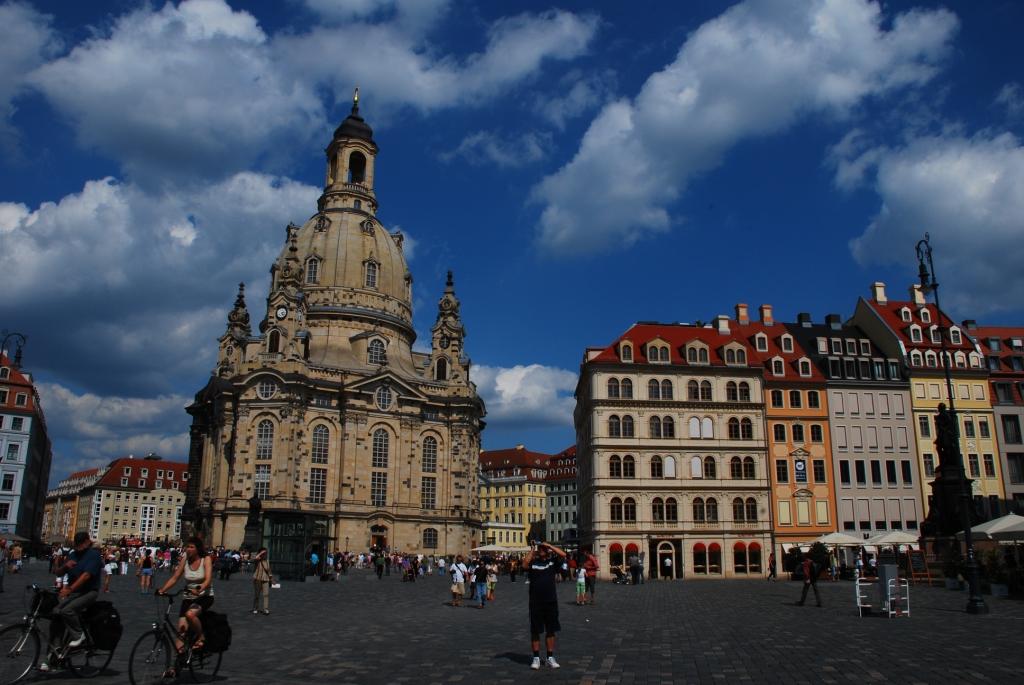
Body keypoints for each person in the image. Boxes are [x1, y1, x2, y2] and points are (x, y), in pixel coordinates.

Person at [40, 532, 101, 673]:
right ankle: (53, 655)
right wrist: (65, 566)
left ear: (87, 542)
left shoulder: (93, 555)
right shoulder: (73, 554)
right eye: (77, 545)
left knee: (67, 610)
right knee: (56, 614)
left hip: (88, 592)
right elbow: (59, 573)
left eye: (81, 544)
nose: (79, 547)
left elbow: (86, 576)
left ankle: (79, 635)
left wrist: (70, 589)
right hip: (73, 592)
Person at [157, 537, 215, 666]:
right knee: (181, 631)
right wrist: (162, 589)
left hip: (204, 596)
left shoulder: (206, 559)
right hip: (188, 597)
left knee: (190, 615)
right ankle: (176, 666)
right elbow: (175, 577)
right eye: (187, 547)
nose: (188, 549)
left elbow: (208, 579)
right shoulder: (185, 559)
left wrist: (200, 588)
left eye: (191, 547)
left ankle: (201, 638)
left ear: (198, 549)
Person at [523, 542, 566, 669]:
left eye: (543, 549)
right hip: (536, 601)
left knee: (551, 630)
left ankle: (549, 657)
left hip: (550, 601)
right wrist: (532, 550)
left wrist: (549, 545)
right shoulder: (533, 562)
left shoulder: (552, 562)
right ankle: (536, 657)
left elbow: (563, 554)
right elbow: (524, 564)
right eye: (540, 548)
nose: (541, 550)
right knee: (535, 630)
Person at [251, 547, 272, 615]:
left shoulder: (267, 560)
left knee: (266, 594)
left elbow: (269, 570)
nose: (265, 554)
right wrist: (260, 553)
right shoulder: (258, 560)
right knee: (257, 595)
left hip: (266, 579)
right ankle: (255, 608)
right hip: (257, 579)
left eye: (266, 553)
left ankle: (265, 609)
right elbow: (254, 558)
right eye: (264, 553)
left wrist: (271, 578)